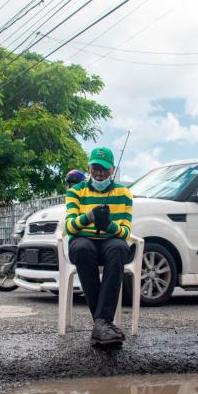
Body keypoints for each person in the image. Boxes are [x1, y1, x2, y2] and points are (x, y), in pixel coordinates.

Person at [64, 146, 133, 346]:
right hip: (83, 240)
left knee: (119, 248)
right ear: (89, 168)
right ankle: (103, 323)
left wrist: (109, 226)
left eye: (104, 168)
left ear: (112, 169)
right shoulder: (76, 191)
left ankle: (100, 324)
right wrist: (89, 217)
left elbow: (126, 233)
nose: (100, 173)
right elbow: (70, 228)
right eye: (95, 168)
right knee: (83, 248)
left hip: (110, 240)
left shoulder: (124, 193)